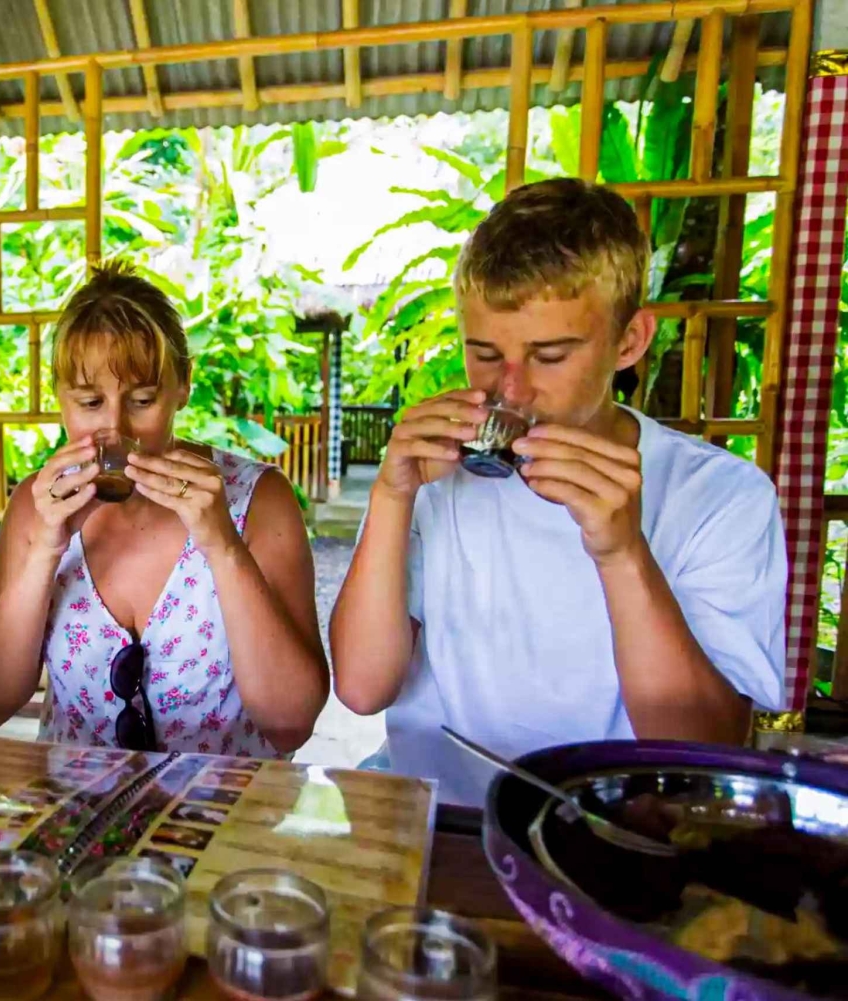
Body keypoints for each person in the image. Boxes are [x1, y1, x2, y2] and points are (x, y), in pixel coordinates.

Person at [330, 178, 786, 805]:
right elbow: (360, 687)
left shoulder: (720, 496)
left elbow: (704, 749)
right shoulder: (436, 477)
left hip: (617, 831)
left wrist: (623, 553)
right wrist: (390, 496)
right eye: (485, 353)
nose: (510, 390)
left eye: (549, 355)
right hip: (438, 816)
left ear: (629, 342)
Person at [0, 261, 329, 757]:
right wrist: (46, 550)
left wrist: (221, 545)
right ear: (60, 398)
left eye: (143, 399)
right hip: (75, 817)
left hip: (227, 819)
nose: (117, 429)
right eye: (90, 403)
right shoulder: (39, 506)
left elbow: (291, 723)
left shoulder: (255, 499)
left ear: (183, 385)